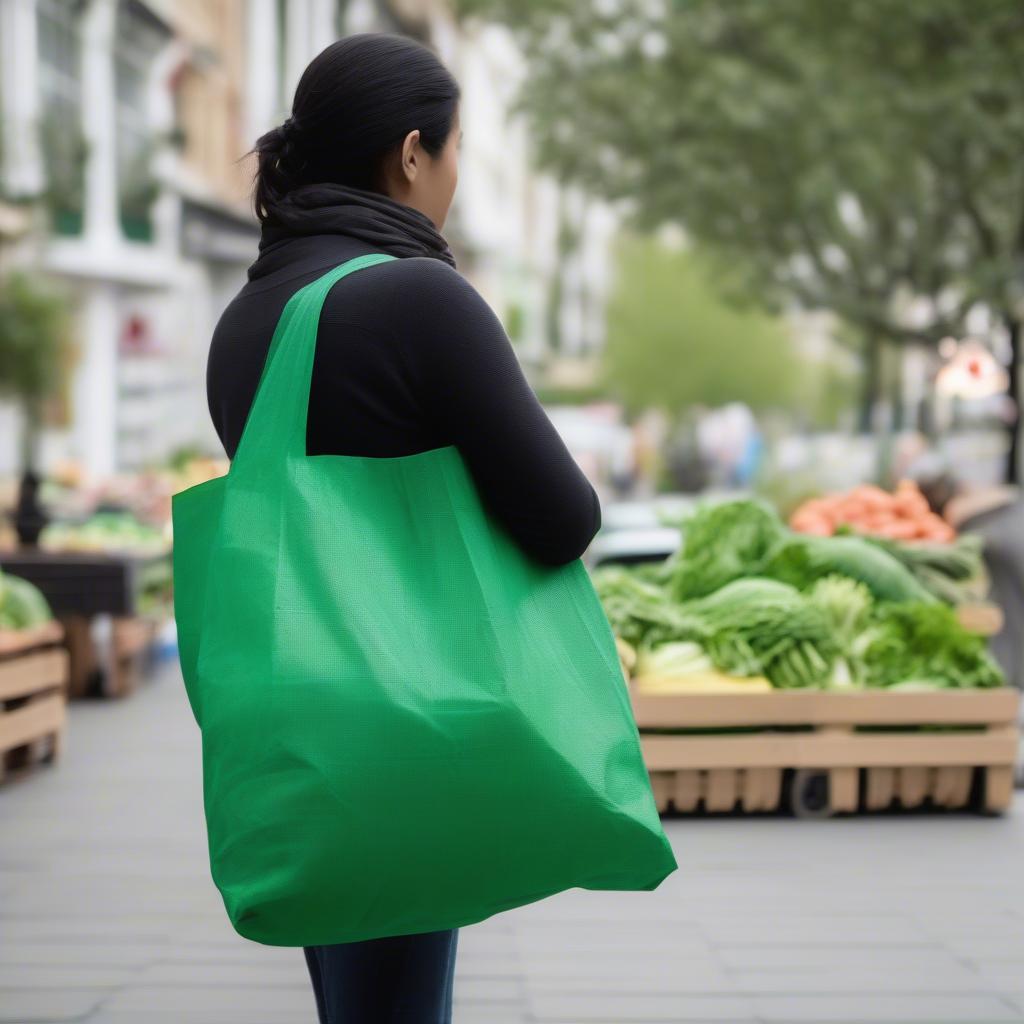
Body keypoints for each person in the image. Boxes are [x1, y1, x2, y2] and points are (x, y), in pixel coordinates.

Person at [205, 32, 602, 1024]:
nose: (456, 177)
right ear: (413, 152)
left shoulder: (251, 316)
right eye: (458, 150)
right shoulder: (420, 296)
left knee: (354, 995)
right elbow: (562, 521)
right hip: (409, 723)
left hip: (300, 726)